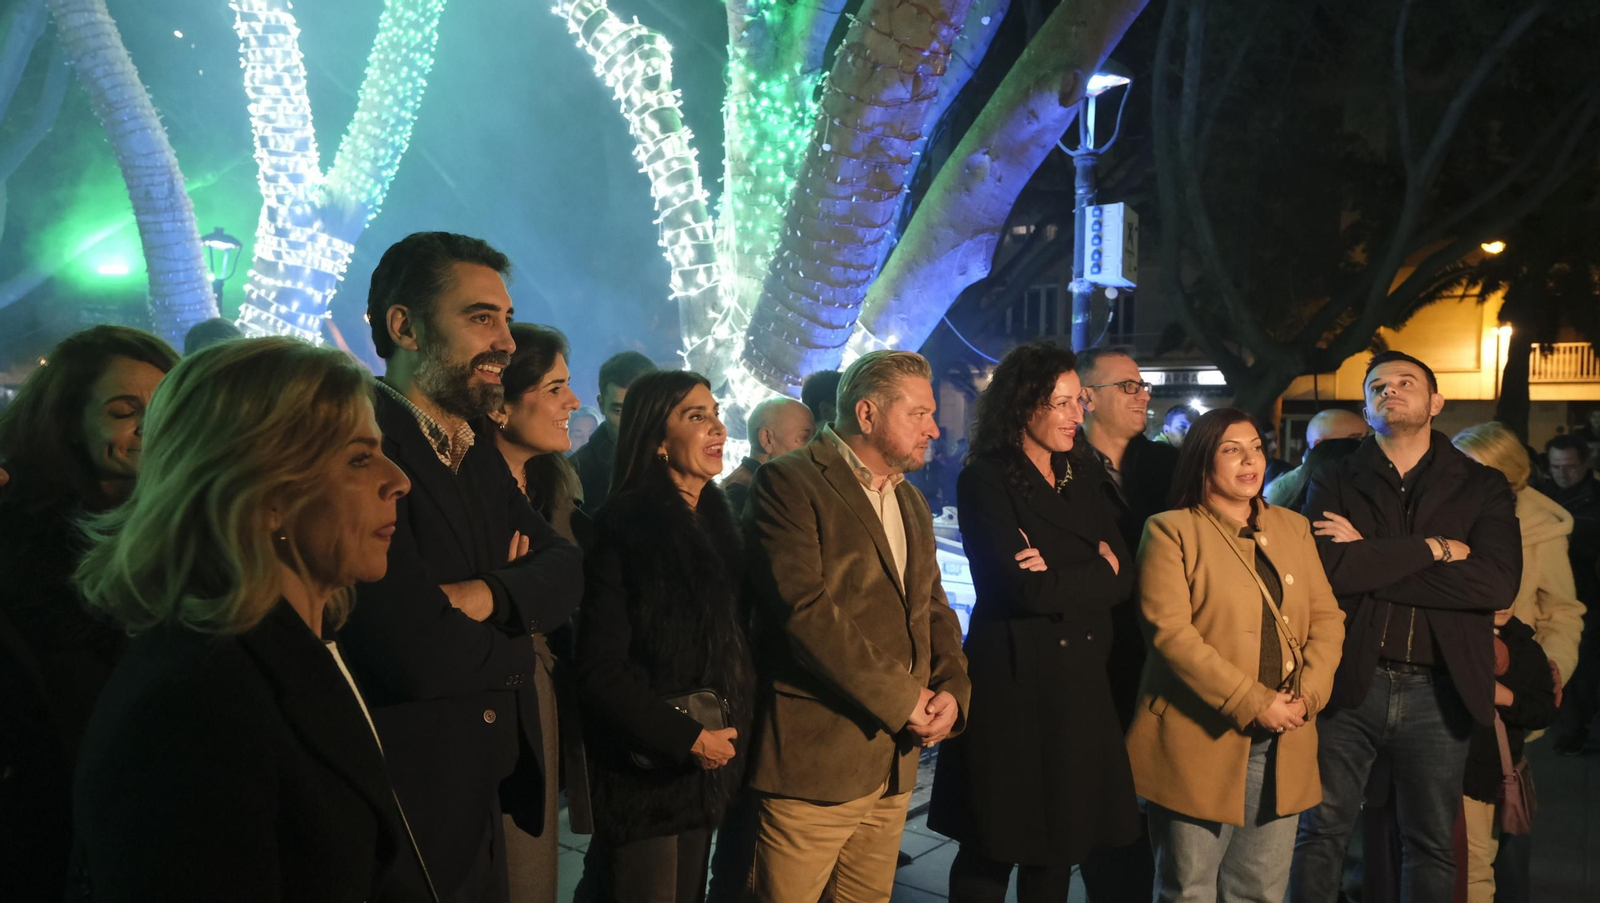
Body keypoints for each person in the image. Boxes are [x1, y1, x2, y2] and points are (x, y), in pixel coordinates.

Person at [70, 337, 428, 900]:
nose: (399, 480)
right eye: (359, 458)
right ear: (265, 492)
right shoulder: (190, 710)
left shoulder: (291, 647)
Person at [342, 231, 584, 902]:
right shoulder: (364, 443)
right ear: (405, 327)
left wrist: (482, 594)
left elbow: (568, 568)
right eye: (482, 317)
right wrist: (519, 639)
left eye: (506, 317)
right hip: (408, 805)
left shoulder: (472, 447)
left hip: (483, 785)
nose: (506, 339)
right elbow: (411, 647)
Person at [1290, 351, 1521, 903]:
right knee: (1320, 831)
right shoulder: (1336, 476)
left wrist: (1371, 560)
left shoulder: (1480, 485)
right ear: (1366, 409)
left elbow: (1494, 586)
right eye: (1377, 387)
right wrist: (1434, 550)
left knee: (1432, 843)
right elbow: (1327, 569)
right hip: (1350, 680)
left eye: (1405, 382)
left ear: (1436, 402)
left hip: (1439, 687)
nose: (1389, 391)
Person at [744, 350, 971, 902]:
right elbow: (805, 613)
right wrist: (903, 698)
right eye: (918, 414)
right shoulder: (789, 482)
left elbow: (934, 608)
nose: (934, 428)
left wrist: (953, 689)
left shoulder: (909, 497)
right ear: (867, 414)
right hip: (816, 764)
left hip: (893, 763)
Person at [927, 340, 1139, 901]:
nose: (1079, 414)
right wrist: (1090, 566)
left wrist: (1067, 570)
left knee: (1060, 842)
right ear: (1026, 405)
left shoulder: (1082, 472)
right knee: (992, 840)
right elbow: (1019, 586)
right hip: (1013, 683)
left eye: (1080, 401)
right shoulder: (988, 478)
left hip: (1078, 683)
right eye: (1064, 402)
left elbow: (1123, 577)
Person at [1129, 408, 1344, 903]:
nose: (1250, 460)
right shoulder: (1170, 530)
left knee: (1261, 891)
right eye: (1231, 449)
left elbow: (1327, 619)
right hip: (1199, 734)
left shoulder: (1292, 527)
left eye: (1255, 447)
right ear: (1203, 460)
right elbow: (1171, 636)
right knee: (1188, 889)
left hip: (1286, 734)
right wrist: (1254, 701)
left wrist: (1307, 695)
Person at [0, 325, 178, 899]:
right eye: (125, 411)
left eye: (165, 407)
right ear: (69, 422)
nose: (149, 428)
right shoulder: (22, 537)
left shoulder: (188, 530)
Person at [575, 369, 755, 901]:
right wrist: (687, 738)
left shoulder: (718, 521)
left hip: (708, 769)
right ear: (656, 439)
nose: (717, 427)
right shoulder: (628, 528)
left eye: (716, 413)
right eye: (696, 417)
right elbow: (598, 670)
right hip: (649, 776)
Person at [487, 321, 593, 901]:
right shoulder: (467, 496)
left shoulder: (552, 486)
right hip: (498, 702)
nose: (572, 402)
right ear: (501, 405)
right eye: (555, 388)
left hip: (547, 688)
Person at [1450, 424, 1570, 903]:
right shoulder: (1441, 514)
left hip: (1509, 696)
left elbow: (1563, 610)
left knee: (1500, 833)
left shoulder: (1540, 528)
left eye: (1474, 468)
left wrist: (1547, 669)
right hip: (1444, 690)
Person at [1540, 433, 1600, 755]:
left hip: (1589, 591)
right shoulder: (1541, 498)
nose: (1563, 473)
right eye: (1556, 467)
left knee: (1587, 665)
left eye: (1570, 467)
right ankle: (1572, 726)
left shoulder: (1595, 498)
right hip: (1554, 591)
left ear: (1584, 465)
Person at [572, 350, 657, 511]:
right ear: (601, 405)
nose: (632, 422)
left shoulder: (682, 459)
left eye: (643, 410)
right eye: (619, 411)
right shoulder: (576, 473)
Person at [722, 396, 815, 514]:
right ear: (767, 439)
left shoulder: (763, 486)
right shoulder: (745, 492)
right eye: (804, 437)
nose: (813, 446)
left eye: (814, 438)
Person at [1264, 408, 1368, 507]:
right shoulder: (1282, 492)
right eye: (1355, 439)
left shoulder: (1363, 478)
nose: (1364, 445)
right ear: (1319, 444)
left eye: (1366, 438)